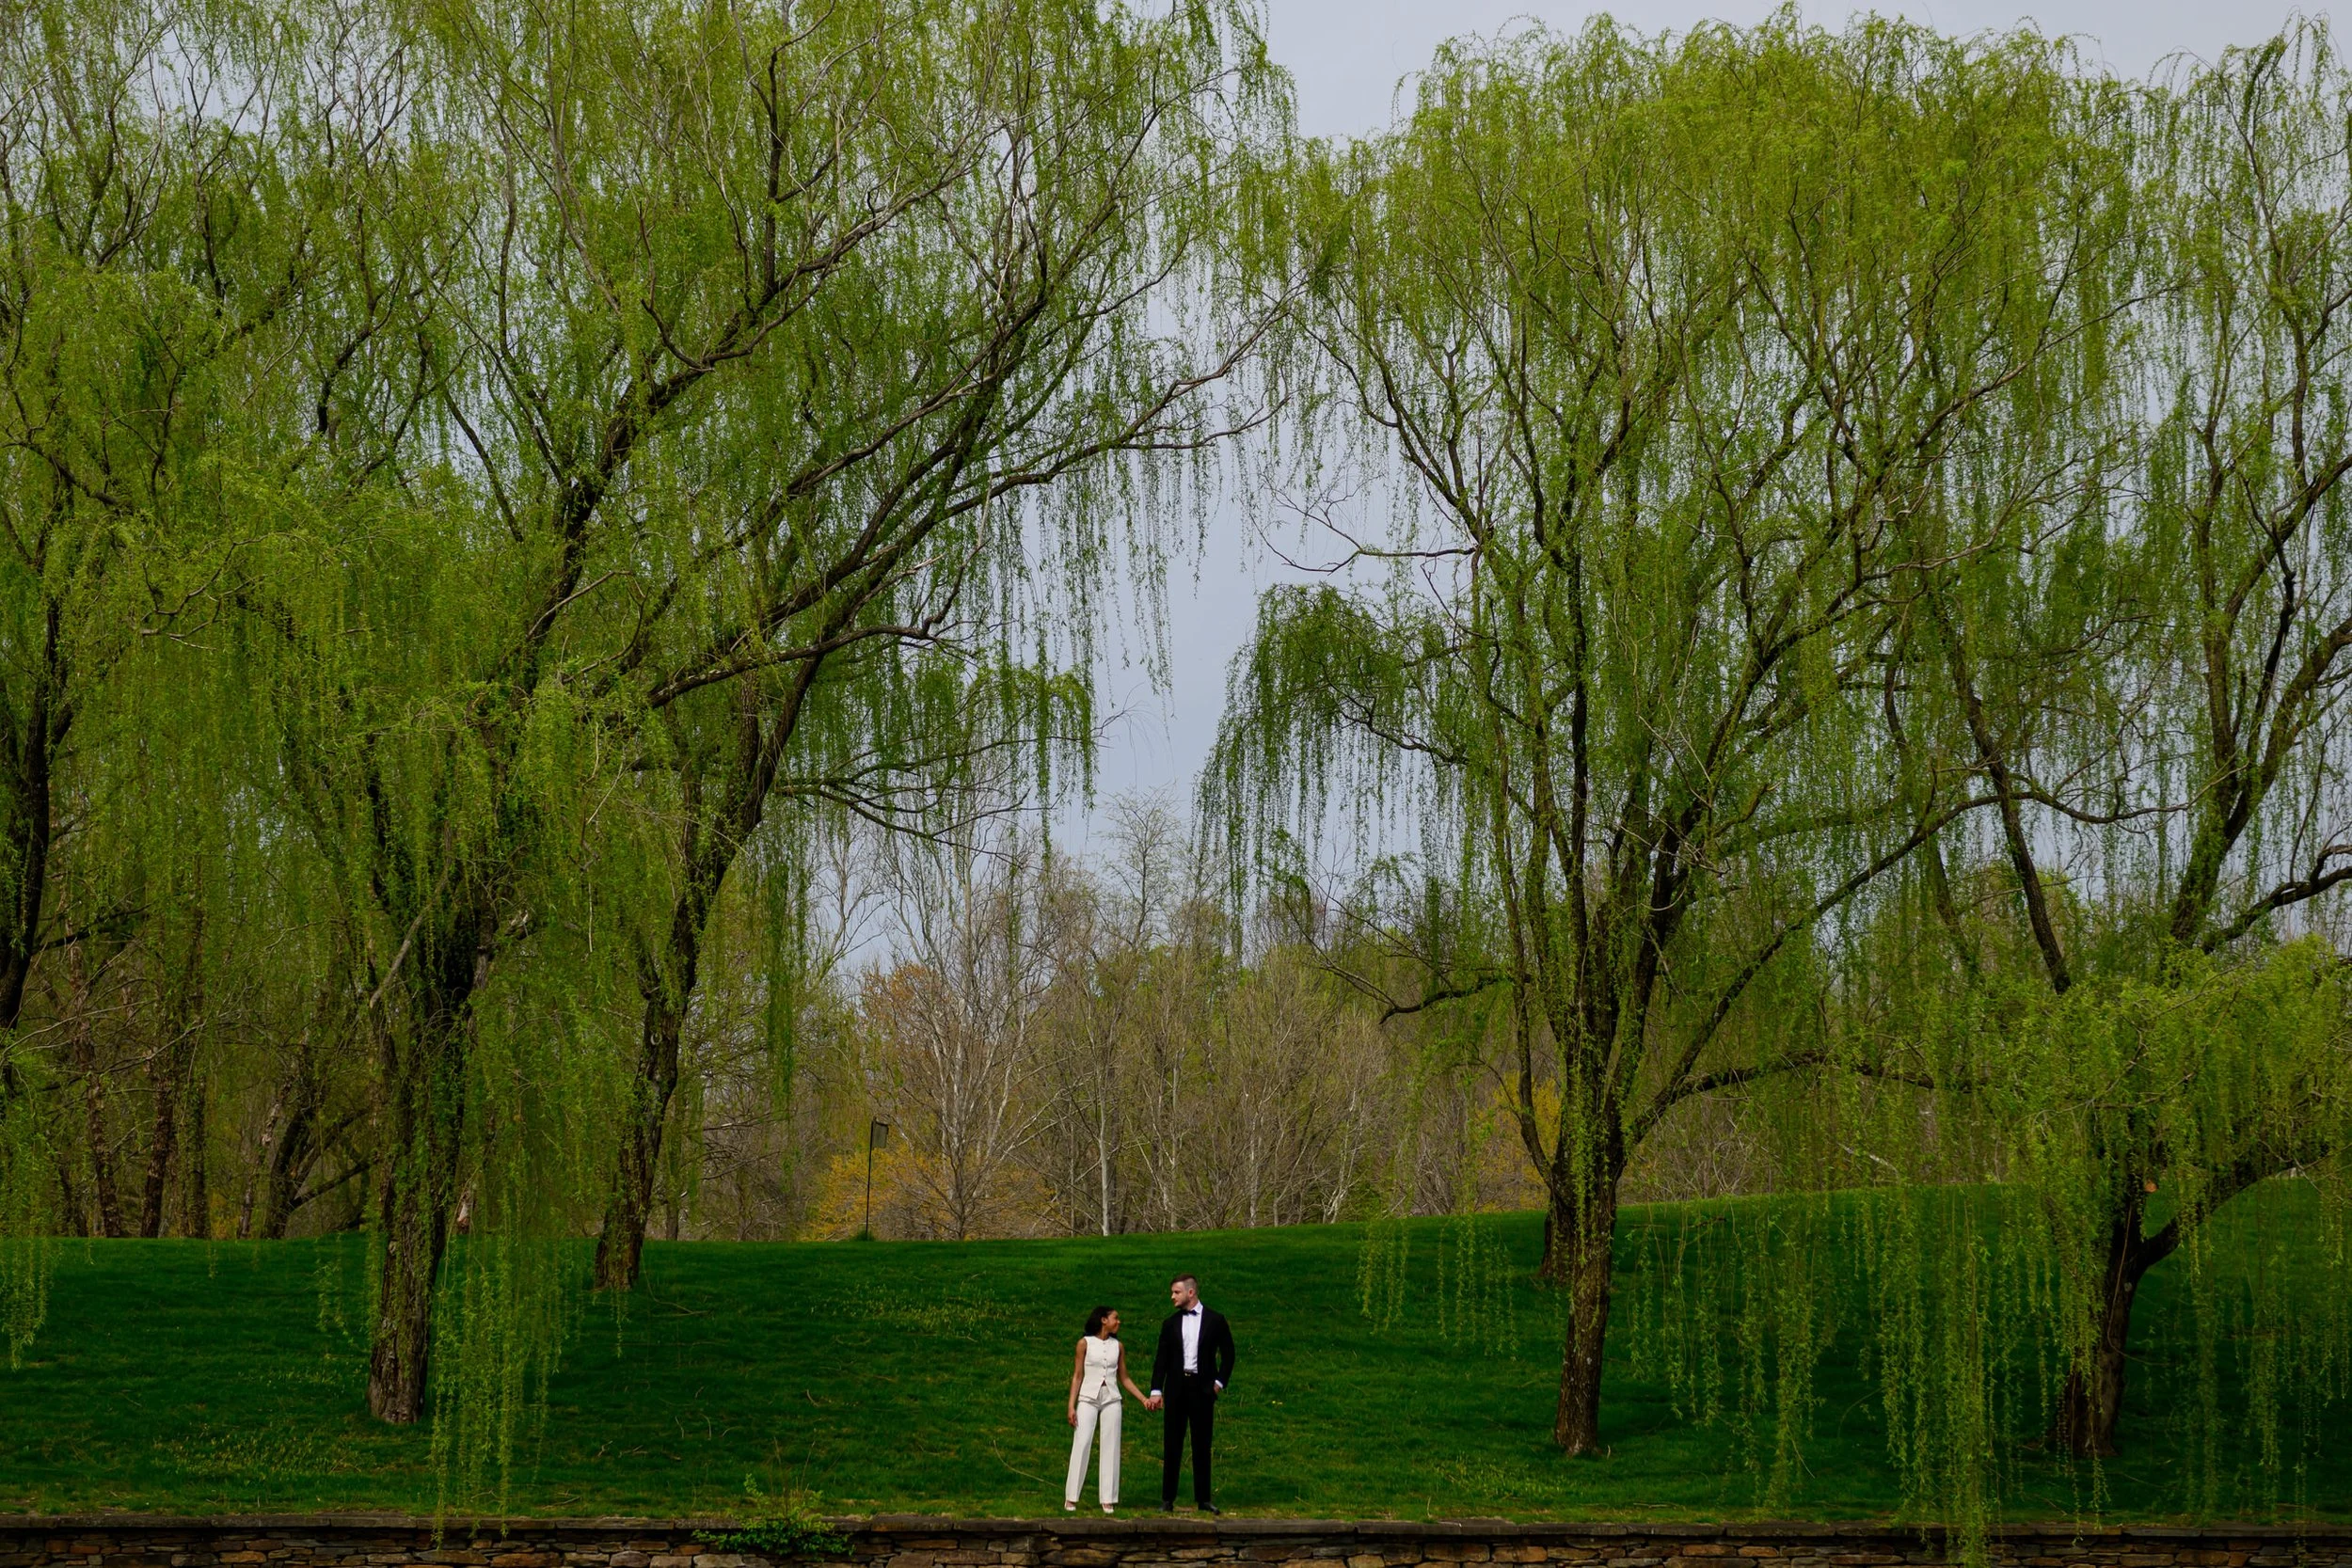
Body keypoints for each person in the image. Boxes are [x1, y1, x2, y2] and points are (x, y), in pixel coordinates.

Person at [1143, 1273, 1234, 1513]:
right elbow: (1161, 1360)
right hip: (1176, 1389)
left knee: (1202, 1444)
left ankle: (1203, 1499)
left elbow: (1229, 1355)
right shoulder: (1170, 1323)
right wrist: (1156, 1390)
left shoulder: (1216, 1320)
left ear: (1190, 1292)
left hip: (1203, 1389)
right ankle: (1167, 1499)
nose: (1172, 1296)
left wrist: (1218, 1383)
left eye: (1176, 1292)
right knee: (1172, 1443)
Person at [1065, 1306, 1148, 1513]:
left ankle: (1108, 1498)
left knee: (1111, 1445)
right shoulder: (1084, 1343)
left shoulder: (1118, 1346)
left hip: (1111, 1397)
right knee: (1082, 1443)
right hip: (1087, 1397)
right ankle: (1071, 1497)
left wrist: (1143, 1399)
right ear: (1103, 1320)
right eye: (1115, 1318)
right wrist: (1071, 1406)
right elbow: (1077, 1376)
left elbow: (1125, 1378)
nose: (1118, 1322)